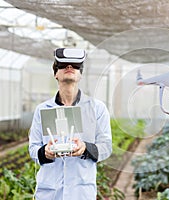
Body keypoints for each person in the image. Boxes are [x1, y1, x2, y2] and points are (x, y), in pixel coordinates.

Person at [28, 48, 112, 199]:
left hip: (81, 193)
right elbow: (33, 148)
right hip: (49, 193)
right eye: (63, 65)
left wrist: (86, 148)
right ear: (55, 73)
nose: (69, 68)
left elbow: (106, 146)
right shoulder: (42, 110)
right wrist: (44, 152)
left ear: (80, 74)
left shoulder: (96, 108)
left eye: (74, 65)